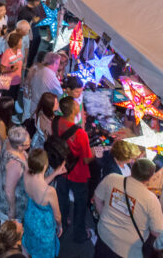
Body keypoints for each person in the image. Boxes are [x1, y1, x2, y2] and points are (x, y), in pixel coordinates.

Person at [93, 158, 163, 258]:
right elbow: (157, 232)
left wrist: (103, 216)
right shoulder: (151, 199)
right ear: (149, 178)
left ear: (132, 169)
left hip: (104, 236)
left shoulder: (111, 178)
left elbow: (97, 198)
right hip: (129, 251)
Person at [53, 95, 94, 243]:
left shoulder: (56, 122)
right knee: (80, 204)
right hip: (78, 174)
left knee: (62, 199)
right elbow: (86, 159)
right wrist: (95, 153)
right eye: (76, 104)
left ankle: (62, 224)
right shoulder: (80, 133)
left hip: (61, 169)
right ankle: (79, 234)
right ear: (73, 111)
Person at [22, 147, 64, 258]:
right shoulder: (50, 191)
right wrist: (59, 226)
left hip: (29, 218)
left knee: (29, 243)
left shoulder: (27, 175)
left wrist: (55, 173)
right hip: (43, 227)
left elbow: (38, 185)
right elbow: (57, 216)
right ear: (45, 166)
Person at [0, 125, 31, 222]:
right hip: (10, 203)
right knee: (10, 231)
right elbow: (9, 192)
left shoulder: (8, 142)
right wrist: (12, 210)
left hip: (4, 190)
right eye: (27, 143)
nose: (30, 142)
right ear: (19, 146)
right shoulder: (15, 165)